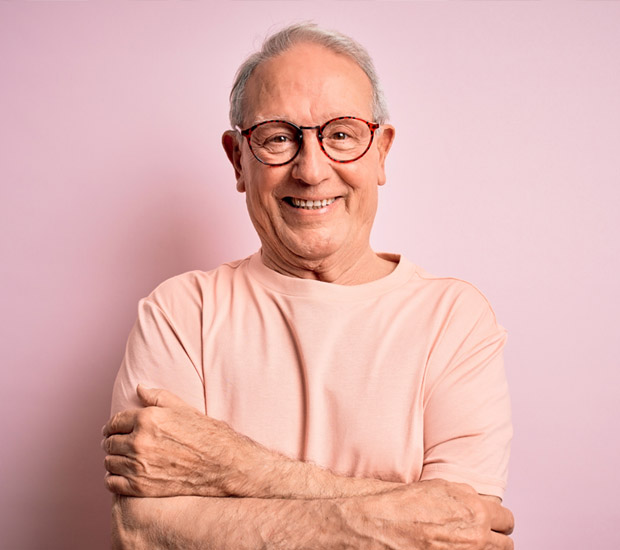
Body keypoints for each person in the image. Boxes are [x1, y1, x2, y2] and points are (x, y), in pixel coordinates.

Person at [102, 23, 515, 549]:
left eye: (341, 134)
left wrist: (234, 465)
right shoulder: (181, 313)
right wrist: (388, 521)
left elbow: (462, 535)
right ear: (238, 159)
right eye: (278, 137)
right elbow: (143, 533)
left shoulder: (453, 319)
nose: (312, 170)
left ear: (381, 152)